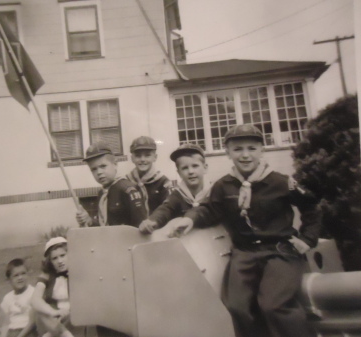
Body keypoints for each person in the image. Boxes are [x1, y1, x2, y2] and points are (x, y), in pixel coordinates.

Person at [168, 124, 322, 337]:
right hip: (245, 253)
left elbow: (311, 207)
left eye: (251, 148)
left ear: (262, 150)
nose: (245, 155)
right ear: (228, 152)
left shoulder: (281, 182)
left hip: (281, 252)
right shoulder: (223, 186)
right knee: (236, 306)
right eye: (238, 149)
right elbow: (209, 209)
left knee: (273, 304)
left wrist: (307, 238)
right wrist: (189, 219)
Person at [139, 143, 211, 234]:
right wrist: (153, 220)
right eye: (184, 168)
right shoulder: (178, 195)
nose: (191, 171)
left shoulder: (215, 191)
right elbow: (166, 209)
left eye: (195, 166)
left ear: (205, 168)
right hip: (191, 243)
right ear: (179, 173)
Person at [76, 142, 147, 228]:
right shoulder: (102, 194)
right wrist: (89, 221)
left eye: (103, 166)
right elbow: (104, 229)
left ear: (115, 164)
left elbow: (141, 226)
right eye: (93, 169)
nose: (99, 172)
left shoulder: (127, 190)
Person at [31, 237, 77, 337]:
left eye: (62, 255)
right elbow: (35, 299)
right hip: (54, 317)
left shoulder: (77, 272)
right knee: (40, 311)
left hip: (72, 315)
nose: (60, 261)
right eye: (54, 258)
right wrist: (53, 312)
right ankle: (65, 334)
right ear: (50, 261)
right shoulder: (47, 275)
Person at [126, 136, 173, 215]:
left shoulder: (163, 182)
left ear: (155, 157)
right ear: (132, 158)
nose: (142, 159)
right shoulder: (127, 181)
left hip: (158, 224)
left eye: (147, 155)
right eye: (138, 156)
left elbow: (169, 208)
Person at [0, 258, 37, 337]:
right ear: (8, 280)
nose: (20, 278)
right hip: (12, 331)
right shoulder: (7, 298)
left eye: (23, 273)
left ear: (28, 274)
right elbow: (6, 323)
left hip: (29, 331)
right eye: (16, 275)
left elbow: (32, 322)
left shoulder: (33, 293)